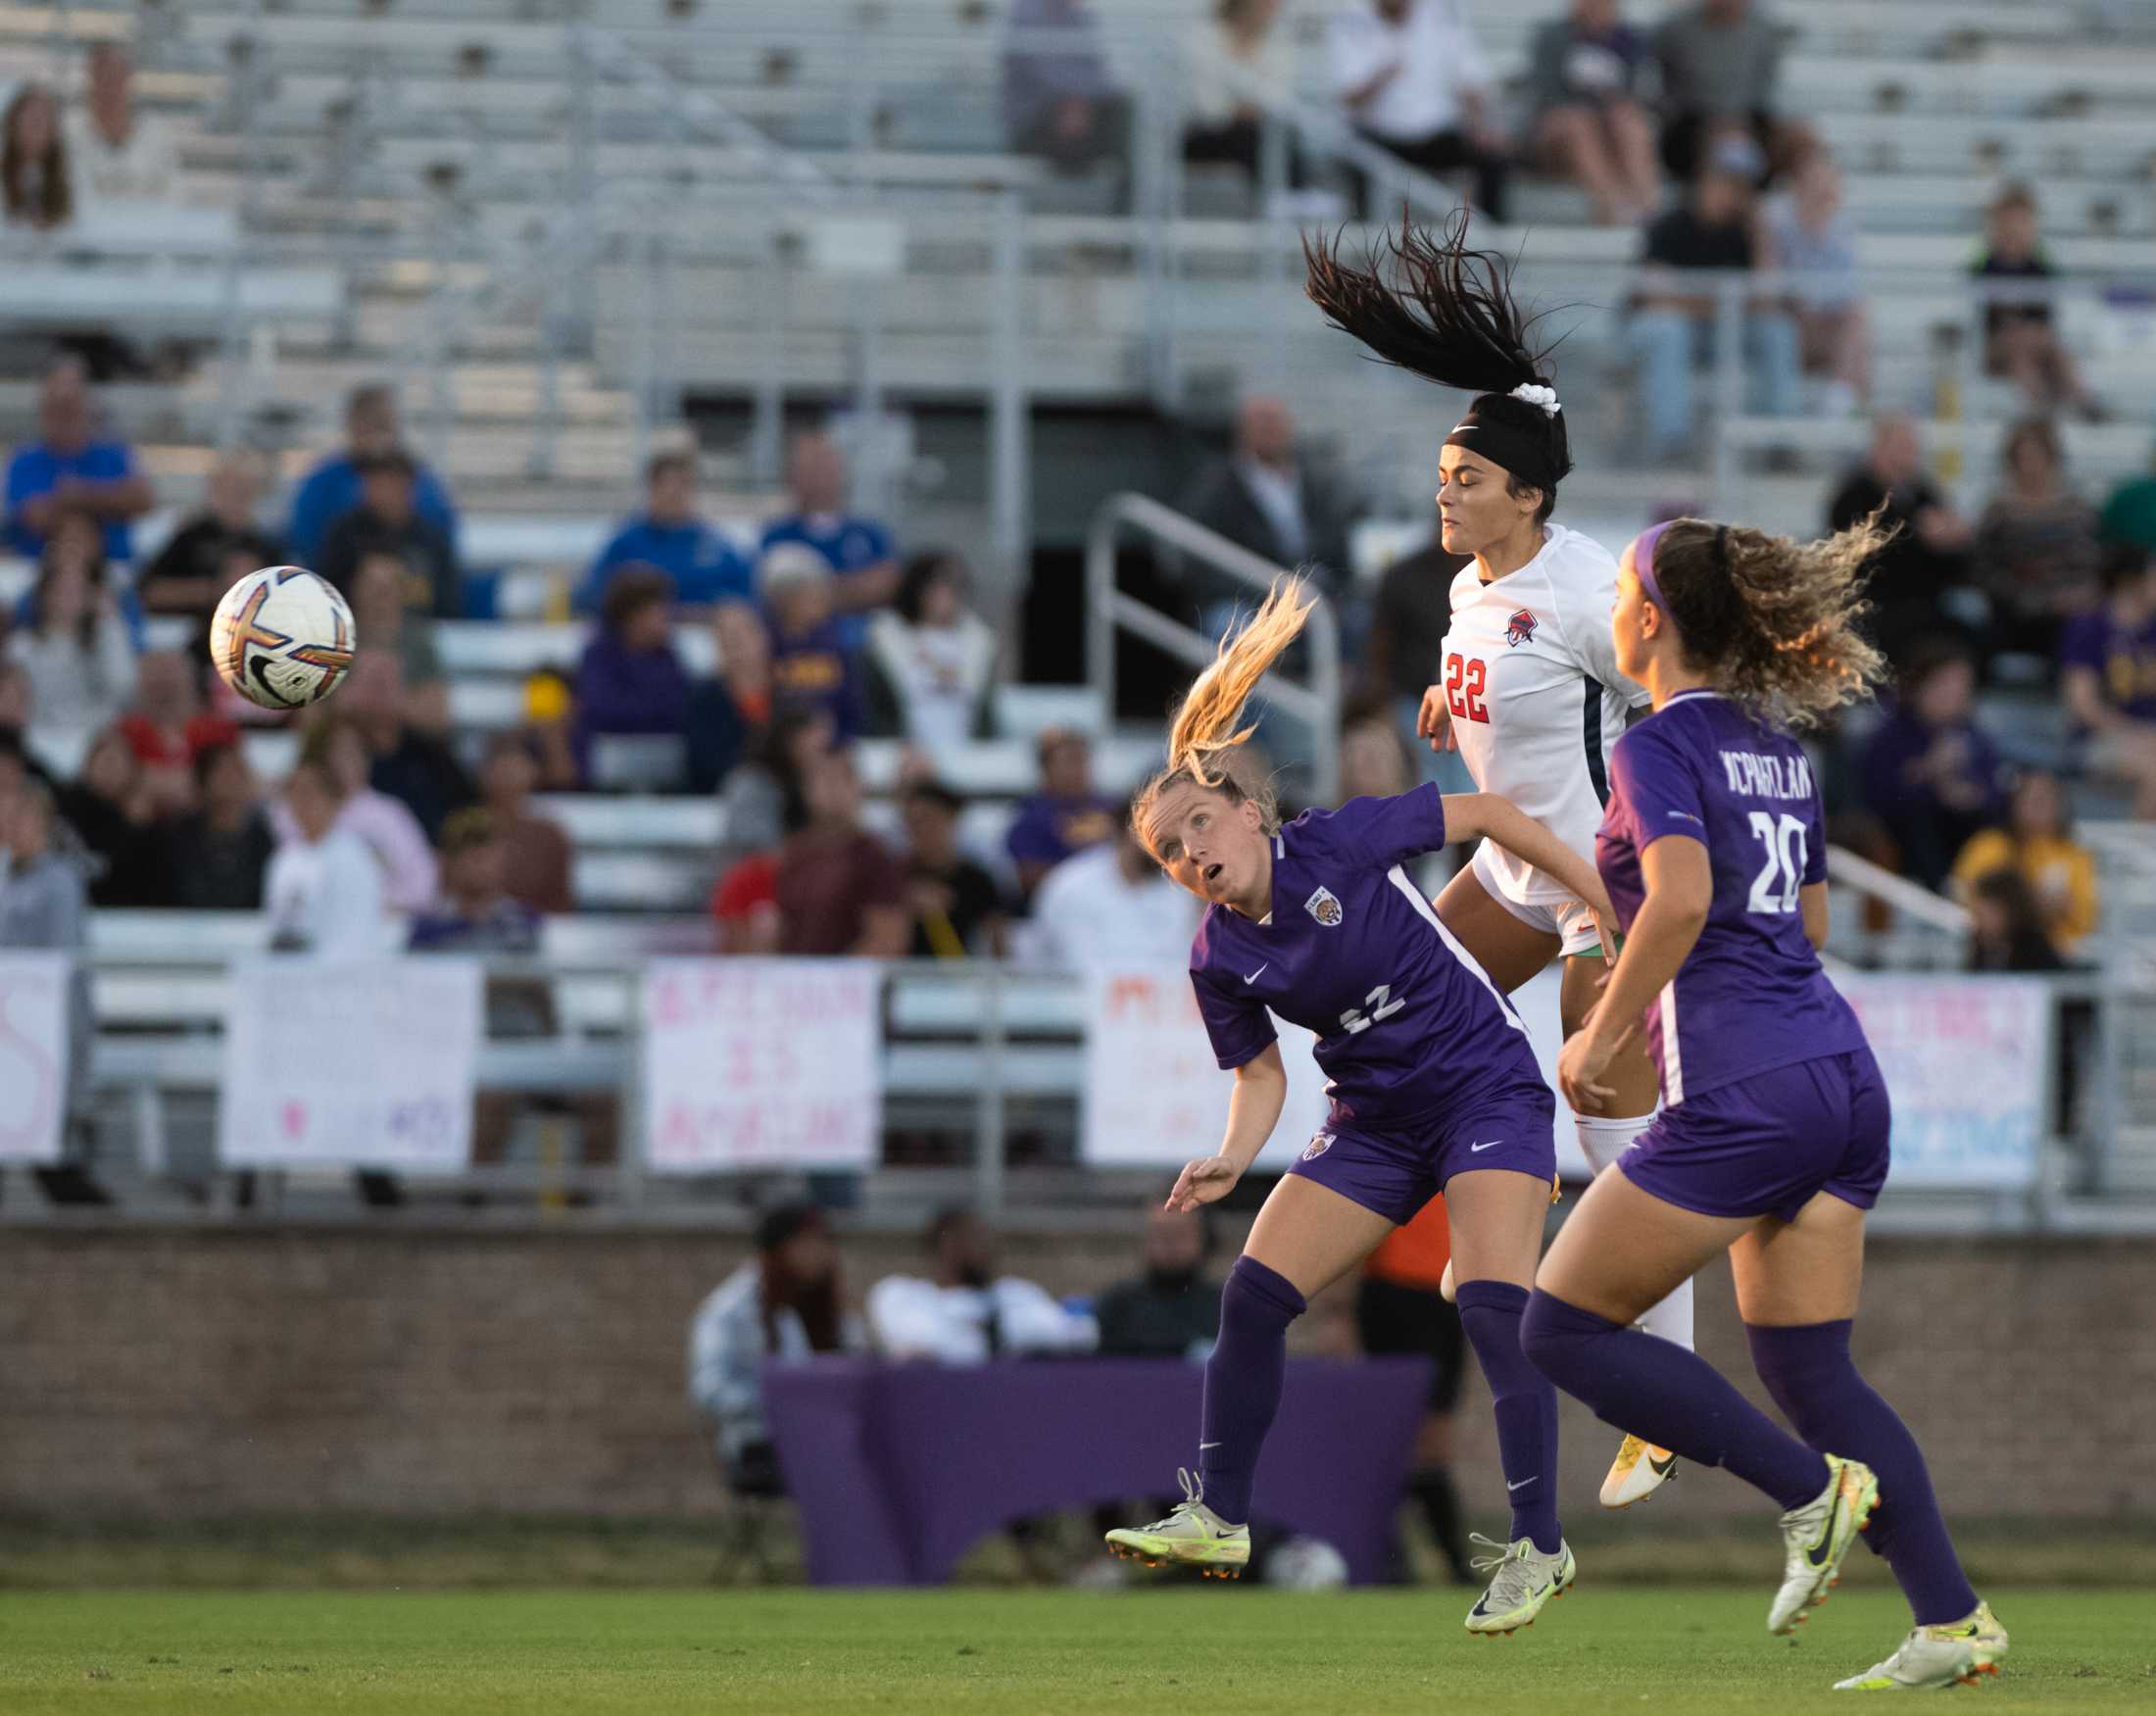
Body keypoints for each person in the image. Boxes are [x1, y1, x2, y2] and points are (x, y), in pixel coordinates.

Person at [1525, 513, 2008, 1692]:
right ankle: (1951, 1618)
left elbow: (1680, 901)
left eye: (1625, 589)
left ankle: (1808, 1495)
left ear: (1648, 616)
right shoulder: (1774, 741)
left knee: (1561, 1324)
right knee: (1812, 1372)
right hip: (1838, 1073)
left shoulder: (1656, 744)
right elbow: (1814, 924)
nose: (1615, 608)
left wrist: (1598, 1025)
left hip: (1747, 1088)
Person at [1100, 576, 1620, 1635]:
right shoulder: (1217, 952)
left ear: (1250, 811)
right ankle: (1221, 1515)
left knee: (1486, 1300)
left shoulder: (1335, 842)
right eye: (1170, 850)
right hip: (1375, 1121)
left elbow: (1485, 813)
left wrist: (1597, 898)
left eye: (1200, 821)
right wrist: (1228, 1153)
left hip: (1482, 1085)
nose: (1191, 851)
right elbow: (1259, 1075)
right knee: (1249, 1295)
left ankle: (1538, 1545)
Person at [1308, 212, 1687, 1507]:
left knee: (1611, 1118)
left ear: (1526, 492)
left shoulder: (1594, 590)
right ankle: (1424, 1193)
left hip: (1594, 878)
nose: (1444, 489)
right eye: (1440, 472)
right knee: (1401, 1002)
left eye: (1463, 476)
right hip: (1518, 864)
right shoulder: (1474, 584)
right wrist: (1442, 706)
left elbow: (1664, 698)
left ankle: (1665, 1399)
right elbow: (1502, 681)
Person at [1626, 142, 1801, 464]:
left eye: (1742, 186)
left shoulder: (1748, 232)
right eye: (1726, 181)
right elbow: (1655, 297)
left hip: (1724, 326)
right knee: (1667, 330)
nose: (1733, 192)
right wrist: (1723, 304)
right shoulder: (1670, 224)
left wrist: (1761, 235)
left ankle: (1781, 440)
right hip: (1670, 328)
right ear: (1705, 179)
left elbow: (1767, 299)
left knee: (1777, 331)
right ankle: (1672, 441)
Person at [689, 1204, 859, 1496]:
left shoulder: (822, 1308)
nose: (823, 1254)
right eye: (809, 1243)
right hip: (760, 1447)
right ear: (780, 1250)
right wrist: (782, 1400)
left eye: (825, 1243)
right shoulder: (731, 1311)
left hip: (823, 1439)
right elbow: (709, 1388)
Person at [1355, 1197, 1474, 1584]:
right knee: (1396, 1440)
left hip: (1448, 1293)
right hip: (1393, 1290)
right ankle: (1396, 1561)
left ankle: (1441, 1563)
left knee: (1431, 1443)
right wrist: (1338, 1308)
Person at [0, 776, 103, 1202]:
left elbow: (61, 963)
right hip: (11, 1024)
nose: (11, 825)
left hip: (45, 1023)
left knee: (52, 1148)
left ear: (44, 823)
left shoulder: (61, 882)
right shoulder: (6, 880)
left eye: (22, 816)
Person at [1328, 1, 1509, 222]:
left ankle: (1494, 245)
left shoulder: (1442, 14)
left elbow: (1471, 80)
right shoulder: (1350, 20)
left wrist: (1481, 124)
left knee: (1493, 156)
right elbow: (1348, 97)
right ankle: (1365, 245)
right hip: (1377, 139)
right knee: (1361, 161)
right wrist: (1382, 76)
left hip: (1436, 135)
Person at [1179, 396, 1358, 615]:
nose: (1269, 429)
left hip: (1311, 593)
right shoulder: (1214, 487)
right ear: (1241, 430)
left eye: (1275, 421)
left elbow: (1336, 544)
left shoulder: (1315, 481)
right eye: (1261, 421)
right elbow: (1201, 558)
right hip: (1244, 598)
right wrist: (1265, 590)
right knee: (1233, 627)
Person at [1826, 415, 1976, 667]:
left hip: (1927, 604)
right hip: (1874, 606)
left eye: (1912, 447)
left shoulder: (1923, 492)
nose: (1910, 455)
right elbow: (1864, 557)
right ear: (1879, 448)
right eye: (1902, 446)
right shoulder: (1853, 496)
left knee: (1973, 636)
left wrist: (1954, 541)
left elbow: (1950, 556)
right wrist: (1920, 535)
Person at [1860, 647, 2009, 893]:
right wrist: (1928, 771)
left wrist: (1968, 796)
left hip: (1965, 833)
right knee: (1920, 821)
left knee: (1991, 833)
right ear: (1919, 686)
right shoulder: (1890, 736)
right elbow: (1877, 797)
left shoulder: (1976, 737)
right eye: (1945, 684)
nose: (1956, 693)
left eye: (1963, 684)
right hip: (1908, 840)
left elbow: (1997, 794)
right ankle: (1941, 893)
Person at [867, 1206, 1096, 1361]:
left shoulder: (1014, 1294)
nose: (983, 1247)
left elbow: (1073, 1334)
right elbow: (918, 1341)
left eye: (984, 1237)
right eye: (970, 1237)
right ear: (943, 1245)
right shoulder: (902, 1295)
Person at [272, 716, 436, 913]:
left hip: (378, 921)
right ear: (319, 758)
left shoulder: (389, 814)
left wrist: (373, 901)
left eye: (354, 751)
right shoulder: (290, 811)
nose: (348, 761)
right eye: (338, 752)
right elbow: (286, 875)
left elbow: (423, 884)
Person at [1974, 418, 2103, 663]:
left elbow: (2091, 562)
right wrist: (2037, 602)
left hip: (2071, 608)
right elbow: (1984, 571)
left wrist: (2080, 594)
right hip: (2017, 611)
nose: (2031, 465)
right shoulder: (1998, 510)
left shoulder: (2077, 508)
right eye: (2024, 457)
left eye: (2038, 456)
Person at [287, 384, 458, 568]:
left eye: (384, 424)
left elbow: (441, 533)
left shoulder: (420, 479)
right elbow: (305, 540)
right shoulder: (323, 482)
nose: (377, 435)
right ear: (352, 424)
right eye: (370, 423)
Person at [4, 515, 138, 749]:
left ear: (91, 596)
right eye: (61, 590)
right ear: (45, 595)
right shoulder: (21, 646)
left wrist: (109, 623)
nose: (68, 598)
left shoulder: (105, 639)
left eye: (77, 590)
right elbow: (15, 704)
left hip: (95, 742)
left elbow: (123, 687)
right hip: (39, 740)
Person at [758, 432, 900, 650]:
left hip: (867, 648)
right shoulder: (775, 535)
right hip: (798, 650)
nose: (817, 476)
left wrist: (812, 593)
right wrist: (856, 589)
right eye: (808, 467)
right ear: (791, 475)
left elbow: (888, 585)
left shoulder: (871, 532)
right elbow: (778, 598)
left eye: (824, 465)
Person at [4, 357, 154, 562]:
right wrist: (108, 501)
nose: (64, 417)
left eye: (71, 407)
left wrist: (79, 495)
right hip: (41, 573)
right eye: (57, 407)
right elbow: (35, 516)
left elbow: (143, 499)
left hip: (111, 568)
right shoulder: (24, 460)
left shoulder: (114, 452)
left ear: (86, 405)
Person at [1524, 0, 1658, 225]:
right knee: (1579, 122)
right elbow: (1546, 98)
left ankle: (1647, 204)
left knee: (1627, 121)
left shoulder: (1629, 39)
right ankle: (1610, 204)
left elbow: (1636, 93)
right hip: (1559, 134)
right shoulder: (1553, 36)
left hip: (1609, 131)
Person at [1973, 183, 2097, 420]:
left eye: (2021, 223)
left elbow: (2045, 320)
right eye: (2009, 223)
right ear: (1996, 226)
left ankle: (2081, 401)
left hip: (2035, 345)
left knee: (2056, 353)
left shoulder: (2041, 269)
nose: (2015, 231)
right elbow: (1983, 323)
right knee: (2019, 349)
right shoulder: (1984, 266)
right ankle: (2042, 412)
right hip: (1994, 350)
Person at [575, 450, 753, 615]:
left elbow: (747, 599)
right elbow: (591, 595)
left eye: (683, 484)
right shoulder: (625, 545)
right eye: (666, 485)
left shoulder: (718, 546)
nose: (674, 493)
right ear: (651, 489)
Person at [774, 748, 909, 957]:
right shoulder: (794, 852)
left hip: (846, 983)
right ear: (807, 790)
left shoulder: (873, 856)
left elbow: (887, 939)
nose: (833, 790)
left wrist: (834, 980)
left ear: (859, 787)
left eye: (842, 779)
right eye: (824, 780)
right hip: (795, 979)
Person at [1651, 0, 1807, 183]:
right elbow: (1662, 89)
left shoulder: (1763, 31)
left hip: (1749, 119)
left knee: (1802, 137)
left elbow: (1765, 90)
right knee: (1724, 138)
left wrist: (1740, 121)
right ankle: (1717, 201)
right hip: (1692, 123)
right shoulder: (1673, 31)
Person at [135, 452, 280, 645]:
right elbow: (149, 592)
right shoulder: (190, 537)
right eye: (227, 488)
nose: (234, 497)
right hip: (192, 644)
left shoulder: (265, 544)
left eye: (242, 489)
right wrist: (213, 590)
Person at [1763, 152, 1868, 415]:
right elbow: (1769, 285)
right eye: (1816, 185)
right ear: (1799, 187)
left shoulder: (1842, 231)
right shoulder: (1774, 222)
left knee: (1858, 319)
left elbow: (1848, 293)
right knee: (1781, 325)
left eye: (1827, 186)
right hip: (1787, 322)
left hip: (1822, 326)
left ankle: (1840, 400)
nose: (1822, 194)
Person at [1949, 769, 2096, 957]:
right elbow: (1969, 897)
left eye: (2046, 798)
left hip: (2056, 954)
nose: (2039, 805)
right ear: (2015, 803)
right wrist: (2033, 904)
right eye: (2031, 798)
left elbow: (2085, 916)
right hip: (1995, 951)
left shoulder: (2073, 854)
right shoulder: (1989, 846)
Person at [862, 551, 999, 750]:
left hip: (964, 752)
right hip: (907, 754)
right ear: (918, 589)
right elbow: (880, 706)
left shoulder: (979, 644)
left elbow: (984, 711)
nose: (946, 594)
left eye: (954, 586)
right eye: (937, 585)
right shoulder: (888, 639)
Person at [2059, 545, 2156, 817]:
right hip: (2099, 737)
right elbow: (2083, 705)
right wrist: (2137, 732)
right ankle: (2144, 856)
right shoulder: (2090, 627)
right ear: (2131, 580)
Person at [339, 650, 474, 844]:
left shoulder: (430, 755)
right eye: (374, 683)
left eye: (390, 683)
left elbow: (466, 812)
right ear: (348, 692)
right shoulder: (331, 756)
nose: (381, 695)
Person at [573, 568, 692, 785]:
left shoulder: (668, 656)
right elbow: (601, 709)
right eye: (659, 610)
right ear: (634, 615)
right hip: (600, 763)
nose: (668, 617)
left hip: (663, 762)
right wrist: (650, 712)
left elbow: (679, 709)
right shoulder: (599, 655)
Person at [316, 447, 463, 620]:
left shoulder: (431, 537)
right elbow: (326, 597)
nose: (383, 492)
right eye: (375, 483)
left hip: (422, 633)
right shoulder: (343, 535)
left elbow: (449, 600)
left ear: (409, 487)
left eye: (391, 483)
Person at [264, 754, 387, 954]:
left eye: (310, 792)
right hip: (290, 974)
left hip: (341, 973)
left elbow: (358, 930)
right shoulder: (284, 860)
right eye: (295, 792)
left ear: (333, 799)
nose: (303, 801)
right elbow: (279, 927)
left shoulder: (355, 857)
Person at [1002, 0, 1131, 181]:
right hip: (1036, 121)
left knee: (1124, 110)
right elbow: (1037, 70)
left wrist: (1080, 102)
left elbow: (1099, 75)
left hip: (1080, 117)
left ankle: (1125, 200)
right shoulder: (1024, 16)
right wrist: (1071, 101)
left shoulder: (1081, 17)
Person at [1183, 0, 1296, 189]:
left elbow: (1278, 99)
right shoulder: (1204, 38)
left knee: (1278, 141)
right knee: (1252, 142)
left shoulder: (1276, 42)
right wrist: (1240, 110)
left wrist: (1248, 109)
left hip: (1256, 134)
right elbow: (1206, 103)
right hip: (1208, 135)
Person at [761, 546, 866, 744]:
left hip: (835, 746)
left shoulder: (835, 645)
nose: (822, 601)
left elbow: (853, 708)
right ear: (783, 598)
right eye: (812, 593)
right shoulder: (763, 645)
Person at [156, 740, 275, 911]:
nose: (232, 781)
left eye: (238, 773)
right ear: (203, 781)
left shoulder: (263, 840)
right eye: (224, 772)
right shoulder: (178, 838)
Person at [117, 649, 238, 817]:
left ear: (190, 676)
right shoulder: (124, 732)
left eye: (169, 671)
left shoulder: (219, 729)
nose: (162, 680)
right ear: (140, 680)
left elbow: (236, 779)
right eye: (154, 673)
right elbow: (111, 779)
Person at [1095, 1201, 1223, 1359]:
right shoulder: (1118, 1306)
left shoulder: (1225, 1308)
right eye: (1160, 1234)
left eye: (1179, 1234)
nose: (1168, 1244)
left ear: (1204, 1239)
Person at [55, 725, 164, 907]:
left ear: (133, 770)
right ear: (88, 766)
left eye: (118, 761)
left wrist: (137, 828)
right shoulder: (65, 812)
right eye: (105, 761)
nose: (111, 770)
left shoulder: (146, 823)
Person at [1005, 727, 1120, 900]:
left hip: (1119, 900)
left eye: (1083, 761)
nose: (1079, 770)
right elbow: (1029, 878)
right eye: (1070, 761)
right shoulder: (1030, 817)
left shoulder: (1114, 809)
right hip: (1061, 905)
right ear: (1045, 769)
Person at [69, 43, 178, 218]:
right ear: (90, 79)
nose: (109, 85)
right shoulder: (68, 132)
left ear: (128, 79)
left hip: (147, 234)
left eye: (115, 76)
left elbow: (173, 193)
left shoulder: (157, 132)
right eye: (101, 76)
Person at [901, 779, 1005, 958]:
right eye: (913, 822)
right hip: (901, 977)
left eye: (929, 820)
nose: (921, 830)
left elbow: (997, 941)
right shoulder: (892, 877)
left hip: (961, 979)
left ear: (951, 819)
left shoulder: (977, 881)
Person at [684, 602, 775, 796]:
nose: (735, 644)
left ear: (762, 637)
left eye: (742, 635)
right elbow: (704, 762)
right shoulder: (703, 700)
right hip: (721, 798)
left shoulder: (790, 695)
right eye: (725, 638)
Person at [478, 733, 573, 915]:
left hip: (537, 933)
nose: (508, 773)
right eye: (500, 763)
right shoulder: (466, 828)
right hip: (471, 934)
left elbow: (561, 903)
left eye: (516, 764)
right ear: (484, 773)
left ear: (534, 772)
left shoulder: (550, 836)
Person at [1963, 868, 2066, 974]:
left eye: (1984, 914)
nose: (1978, 922)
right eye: (1977, 914)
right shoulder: (1979, 948)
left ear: (2010, 911)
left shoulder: (2036, 951)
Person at [1, 81, 71, 229]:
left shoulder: (69, 175)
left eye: (43, 117)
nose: (36, 122)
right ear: (13, 122)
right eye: (30, 116)